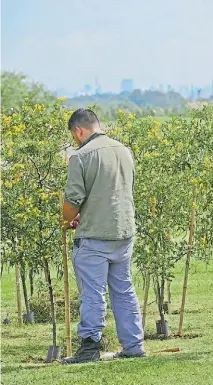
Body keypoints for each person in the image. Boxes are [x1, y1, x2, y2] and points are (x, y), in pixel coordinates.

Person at [61, 108, 145, 364]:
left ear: (79, 130)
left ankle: (89, 349)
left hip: (95, 236)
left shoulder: (81, 156)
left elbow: (73, 200)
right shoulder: (123, 150)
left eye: (74, 136)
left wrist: (66, 219)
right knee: (123, 289)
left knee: (93, 293)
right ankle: (133, 346)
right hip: (123, 232)